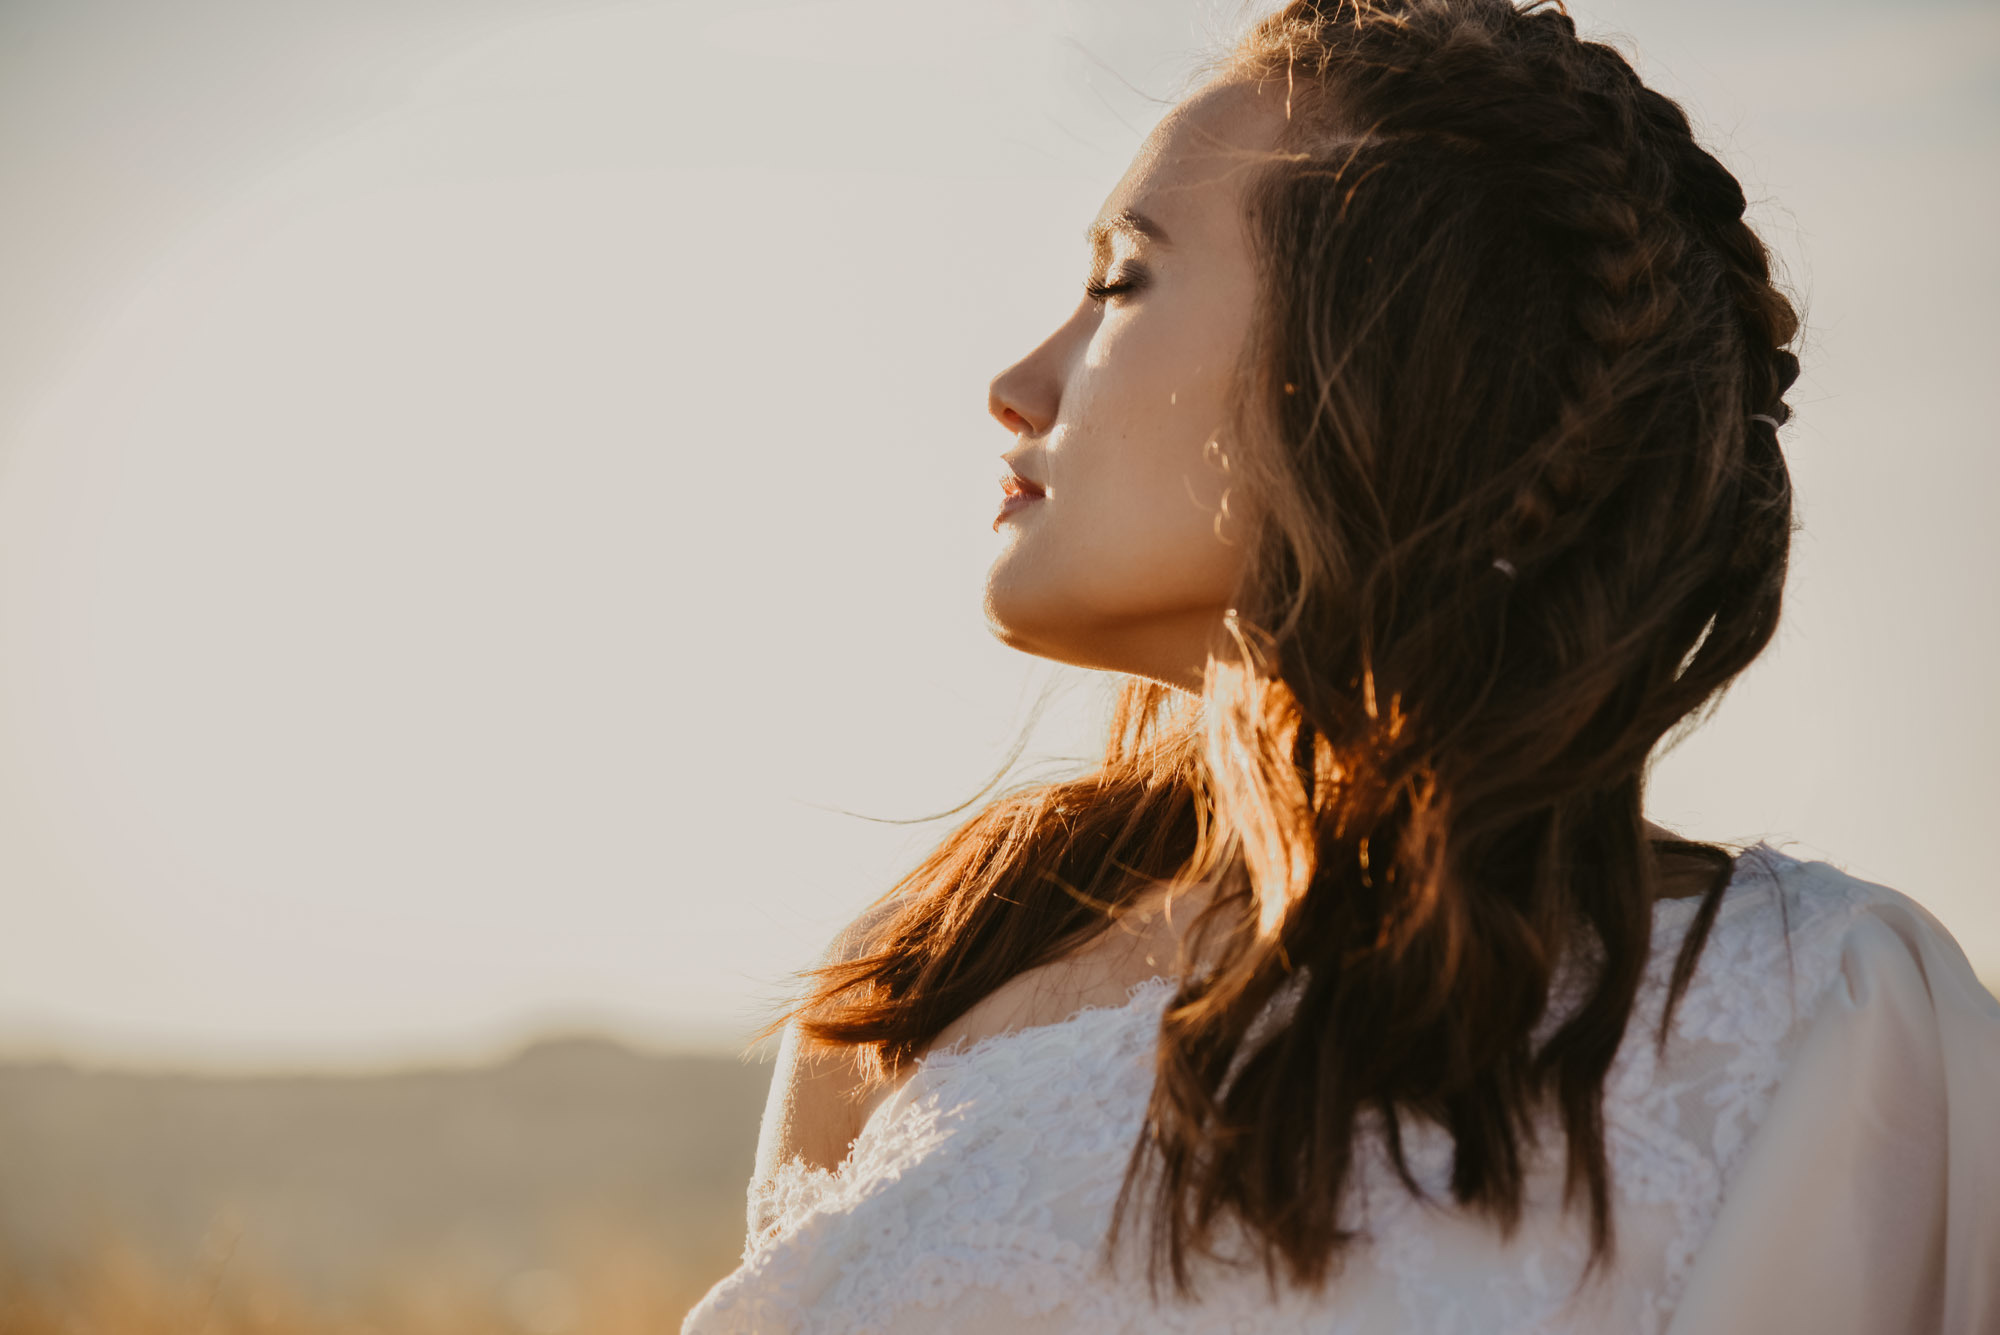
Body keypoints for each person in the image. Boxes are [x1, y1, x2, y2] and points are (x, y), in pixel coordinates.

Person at [683, 0, 2000, 1330]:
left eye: (1123, 281)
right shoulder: (927, 985)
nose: (1017, 384)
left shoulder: (1819, 1009)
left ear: (1380, 365)